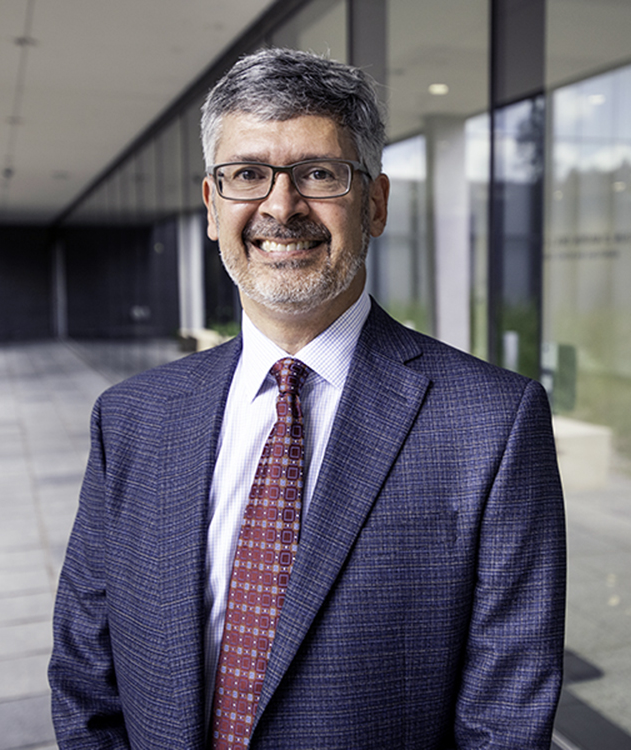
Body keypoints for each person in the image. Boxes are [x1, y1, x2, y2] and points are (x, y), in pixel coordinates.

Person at [49, 47, 566, 750]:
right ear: (212, 205)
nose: (280, 206)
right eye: (246, 175)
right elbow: (86, 669)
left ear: (375, 203)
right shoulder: (133, 417)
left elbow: (505, 720)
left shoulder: (493, 425)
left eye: (319, 174)